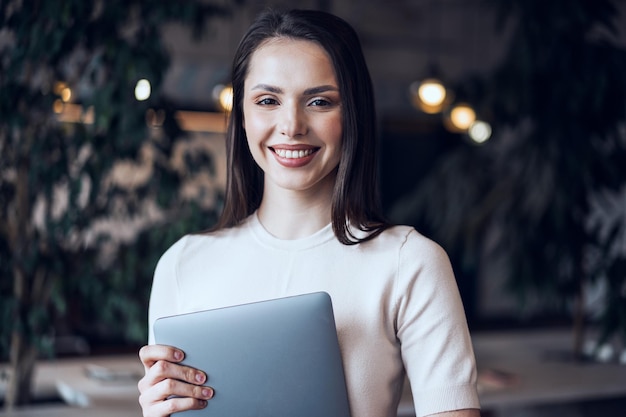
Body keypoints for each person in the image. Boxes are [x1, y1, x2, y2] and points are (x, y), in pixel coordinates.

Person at [138, 8, 480, 417]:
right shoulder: (182, 265)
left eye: (319, 101)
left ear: (351, 114)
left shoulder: (410, 263)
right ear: (242, 114)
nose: (292, 125)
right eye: (267, 100)